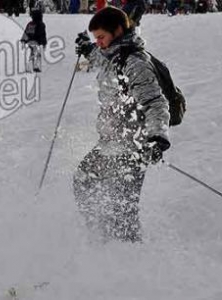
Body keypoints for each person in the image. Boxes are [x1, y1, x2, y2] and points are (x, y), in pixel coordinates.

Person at [73, 7, 170, 242]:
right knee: (83, 180)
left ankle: (131, 258)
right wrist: (88, 48)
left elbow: (155, 103)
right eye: (96, 38)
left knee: (123, 211)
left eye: (101, 37)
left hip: (133, 147)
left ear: (117, 31)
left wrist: (157, 139)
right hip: (109, 142)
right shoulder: (110, 54)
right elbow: (100, 57)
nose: (99, 43)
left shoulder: (135, 63)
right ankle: (100, 237)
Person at [21, 7, 47, 72]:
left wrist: (24, 40)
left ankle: (32, 66)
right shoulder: (41, 24)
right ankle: (33, 66)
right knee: (37, 54)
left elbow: (26, 33)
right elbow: (42, 34)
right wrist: (43, 43)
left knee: (33, 53)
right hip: (37, 42)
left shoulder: (30, 24)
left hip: (30, 42)